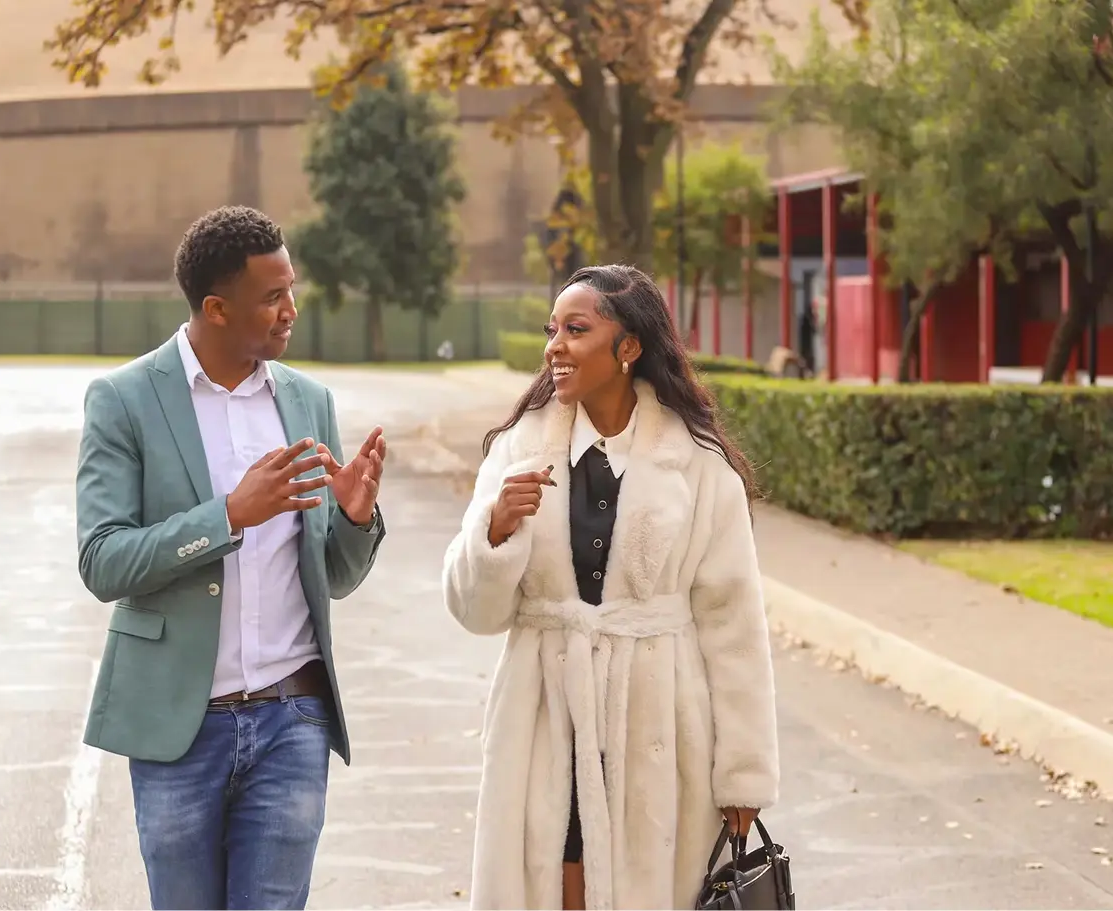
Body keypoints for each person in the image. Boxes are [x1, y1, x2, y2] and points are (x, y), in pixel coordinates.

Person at [75, 205, 387, 910]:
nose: (291, 310)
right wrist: (227, 517)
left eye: (291, 290)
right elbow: (102, 559)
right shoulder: (124, 400)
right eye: (272, 297)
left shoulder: (308, 400)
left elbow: (334, 577)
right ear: (216, 308)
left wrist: (355, 516)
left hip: (292, 718)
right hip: (179, 727)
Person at [442, 264, 780, 910]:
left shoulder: (700, 466)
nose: (555, 346)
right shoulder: (518, 450)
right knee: (551, 880)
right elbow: (475, 612)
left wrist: (743, 774)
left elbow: (734, 624)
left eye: (576, 330)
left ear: (628, 347)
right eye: (552, 330)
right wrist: (496, 530)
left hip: (656, 726)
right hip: (546, 720)